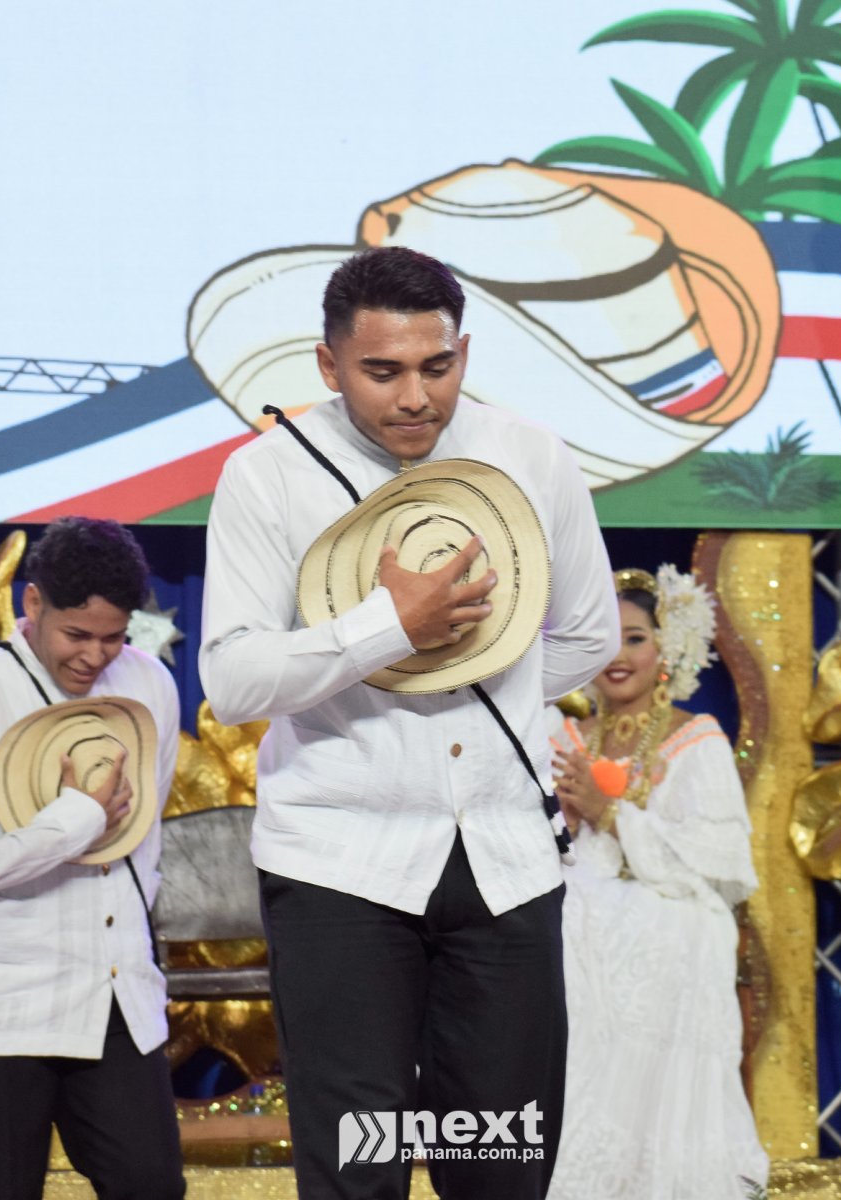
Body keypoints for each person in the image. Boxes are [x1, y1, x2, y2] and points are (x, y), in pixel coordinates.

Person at [199, 245, 619, 1199]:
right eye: (382, 371)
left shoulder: (530, 455)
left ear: (464, 352)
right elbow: (234, 677)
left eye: (438, 366)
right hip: (340, 864)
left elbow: (588, 635)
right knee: (360, 1171)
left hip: (507, 859)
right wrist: (391, 631)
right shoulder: (267, 475)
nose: (416, 396)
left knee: (503, 1168)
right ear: (329, 364)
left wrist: (457, 675)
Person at [0, 517, 185, 1200]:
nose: (94, 656)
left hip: (115, 996)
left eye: (113, 637)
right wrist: (70, 825)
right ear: (33, 603)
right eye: (76, 635)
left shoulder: (151, 686)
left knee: (150, 1185)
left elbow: (141, 840)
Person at [549, 564, 768, 1199]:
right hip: (574, 901)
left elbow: (717, 859)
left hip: (668, 907)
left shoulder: (697, 740)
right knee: (555, 930)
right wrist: (561, 823)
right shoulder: (560, 738)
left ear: (666, 646)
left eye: (636, 638)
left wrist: (611, 814)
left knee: (673, 933)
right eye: (604, 639)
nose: (618, 655)